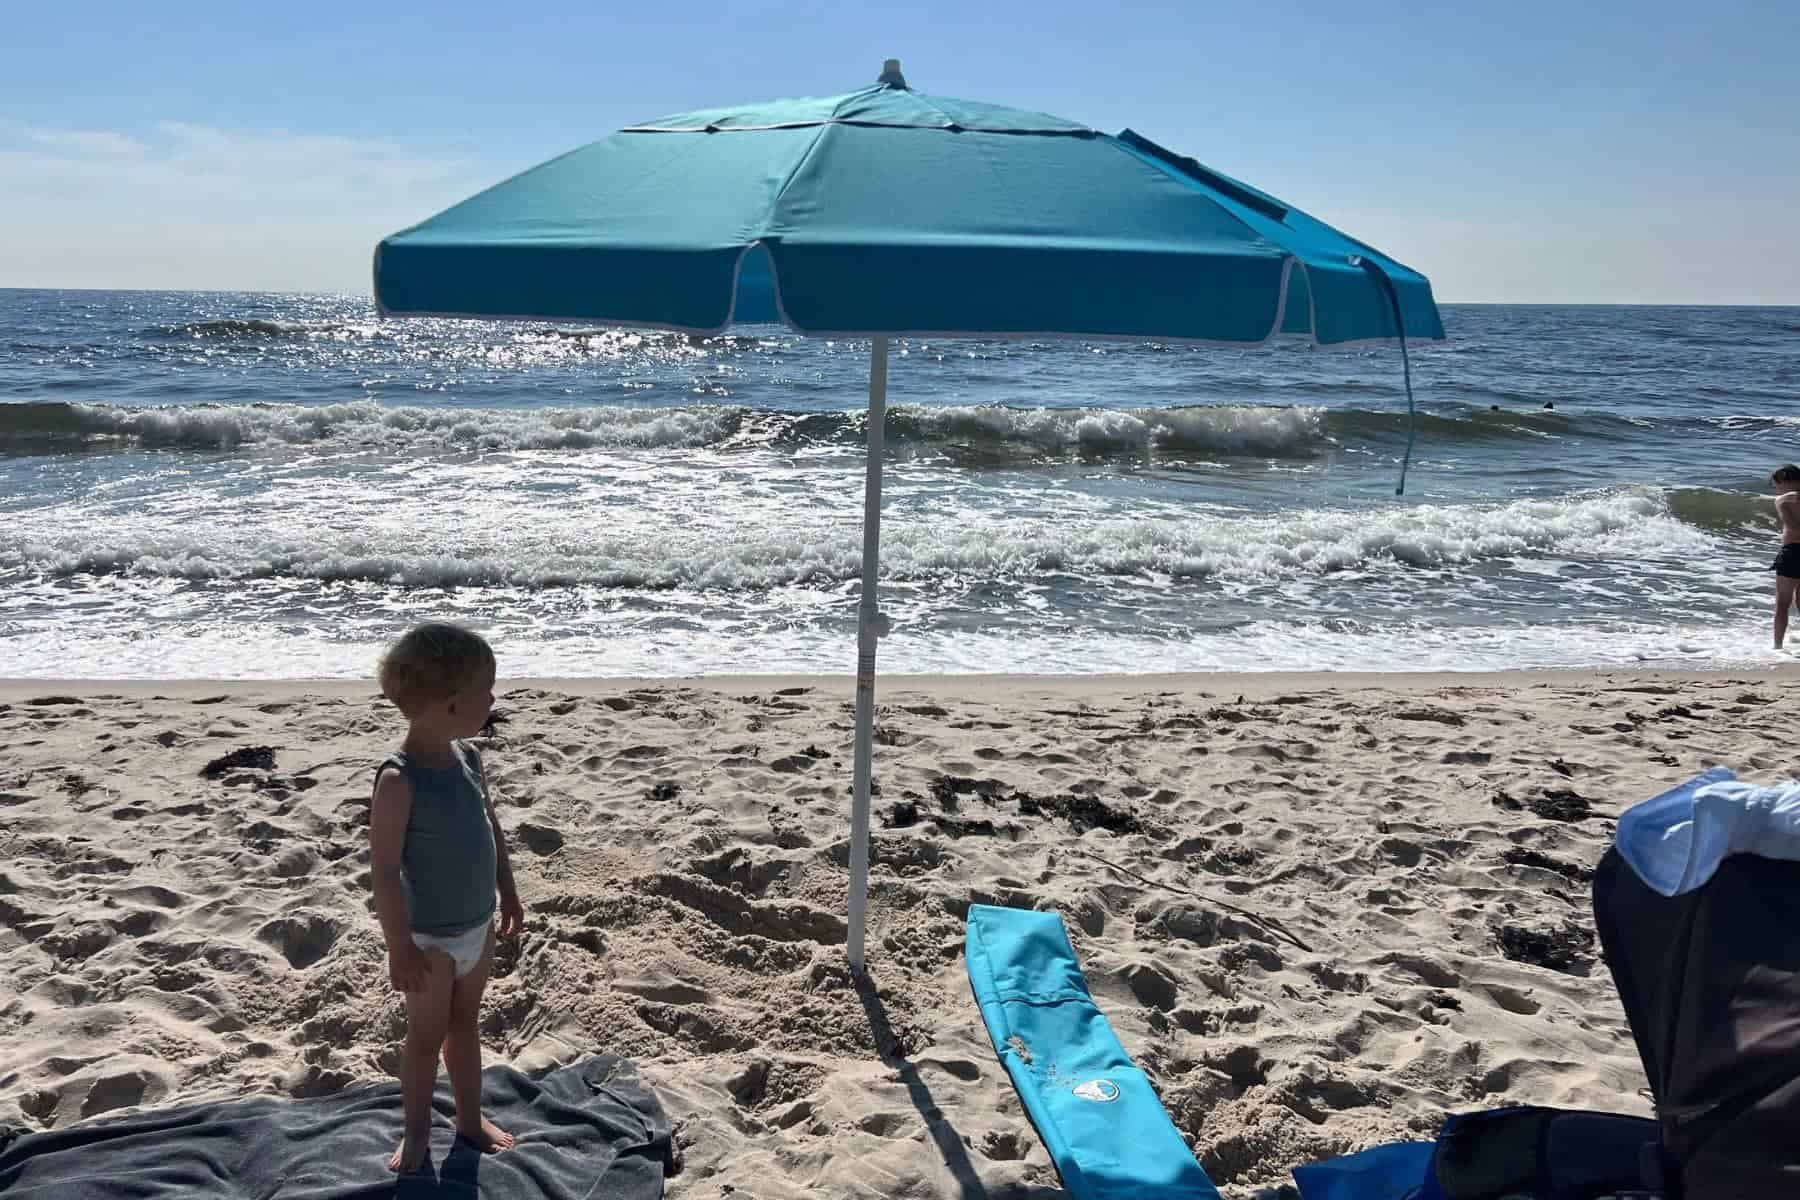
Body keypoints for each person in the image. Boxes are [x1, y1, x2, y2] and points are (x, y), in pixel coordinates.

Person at [370, 623, 524, 1171]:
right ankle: (415, 1133)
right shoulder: (400, 779)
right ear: (453, 703)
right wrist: (398, 948)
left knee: (466, 1025)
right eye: (488, 690)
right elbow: (385, 871)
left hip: (477, 926)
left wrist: (507, 891)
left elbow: (491, 829)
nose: (494, 700)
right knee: (425, 1035)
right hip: (430, 938)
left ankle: (467, 1118)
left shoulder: (468, 758)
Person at [1773, 465, 1800, 649]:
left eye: (1777, 484)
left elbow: (1793, 529)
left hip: (1792, 552)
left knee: (1783, 603)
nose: (1777, 488)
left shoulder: (1783, 500)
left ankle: (1777, 646)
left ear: (1785, 480)